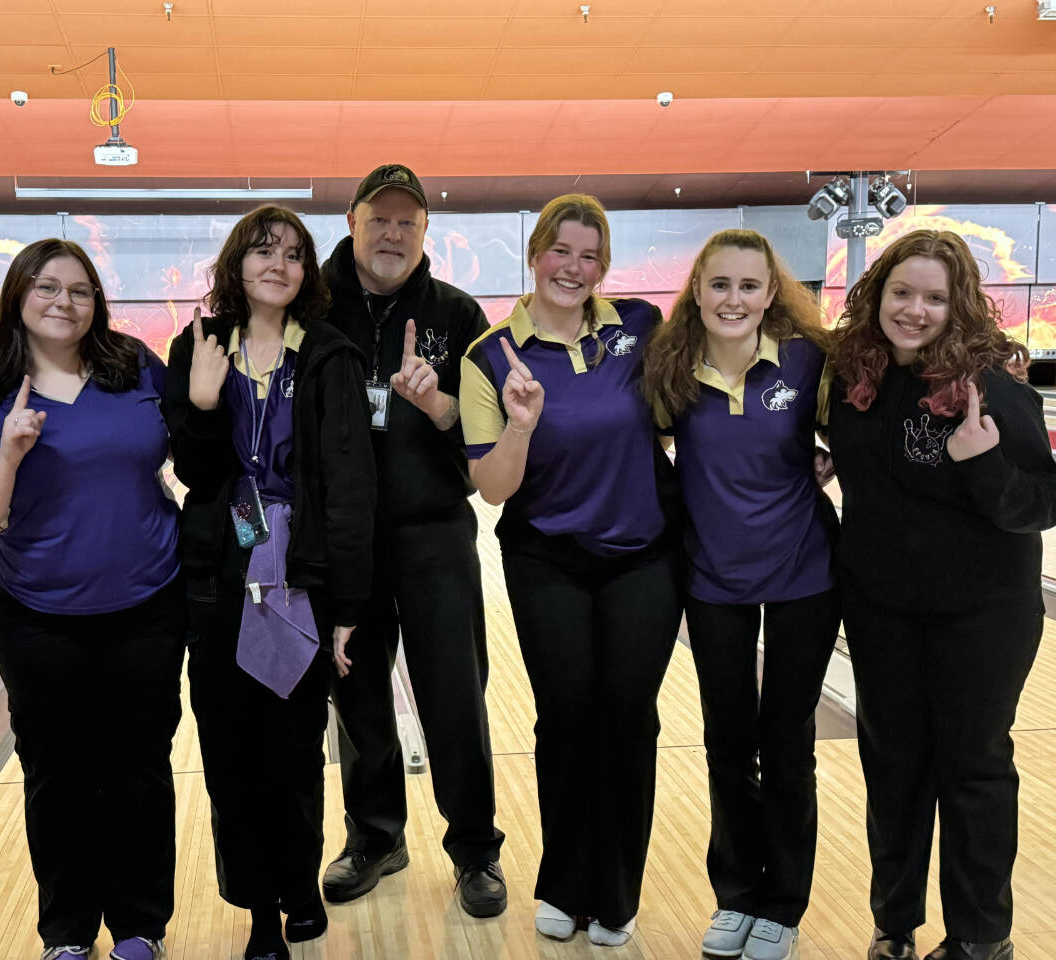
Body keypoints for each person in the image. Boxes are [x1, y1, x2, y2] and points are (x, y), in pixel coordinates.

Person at [827, 229, 1056, 960]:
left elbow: (1045, 505)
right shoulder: (853, 376)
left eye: (935, 297)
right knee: (893, 768)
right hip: (881, 609)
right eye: (903, 292)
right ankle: (894, 925)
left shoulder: (991, 383)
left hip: (981, 614)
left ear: (958, 304)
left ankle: (980, 935)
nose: (915, 310)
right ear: (879, 296)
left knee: (972, 767)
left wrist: (985, 463)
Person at [0, 239, 184, 960]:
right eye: (47, 288)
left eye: (79, 290)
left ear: (96, 302)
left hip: (148, 596)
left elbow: (192, 448)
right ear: (19, 296)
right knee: (58, 772)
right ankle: (68, 932)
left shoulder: (135, 366)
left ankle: (141, 926)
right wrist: (11, 453)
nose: (64, 302)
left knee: (140, 765)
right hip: (35, 608)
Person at [460, 193, 682, 947]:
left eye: (590, 256)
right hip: (546, 557)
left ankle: (615, 890)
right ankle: (563, 881)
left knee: (629, 717)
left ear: (605, 267)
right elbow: (493, 488)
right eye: (562, 251)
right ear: (536, 253)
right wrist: (522, 424)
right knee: (566, 717)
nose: (574, 268)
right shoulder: (491, 355)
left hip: (643, 556)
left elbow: (718, 372)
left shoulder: (642, 329)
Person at [163, 206, 376, 960]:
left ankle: (298, 885)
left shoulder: (329, 354)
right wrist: (202, 403)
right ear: (237, 263)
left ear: (307, 271)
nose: (279, 263)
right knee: (232, 751)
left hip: (302, 577)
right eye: (263, 250)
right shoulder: (199, 347)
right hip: (221, 576)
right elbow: (195, 471)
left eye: (293, 253)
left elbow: (350, 488)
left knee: (292, 749)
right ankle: (258, 909)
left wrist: (347, 606)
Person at [645, 230, 839, 960]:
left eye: (749, 286)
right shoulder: (672, 366)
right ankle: (736, 894)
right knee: (728, 744)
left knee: (787, 746)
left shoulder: (807, 359)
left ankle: (783, 904)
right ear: (697, 292)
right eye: (719, 285)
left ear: (771, 293)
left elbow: (853, 433)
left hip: (804, 577)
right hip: (714, 582)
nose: (734, 299)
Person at [319, 163, 506, 916]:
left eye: (408, 222)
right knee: (357, 697)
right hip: (343, 538)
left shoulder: (458, 315)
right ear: (353, 222)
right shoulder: (315, 304)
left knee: (454, 695)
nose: (392, 233)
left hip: (433, 531)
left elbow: (483, 435)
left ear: (425, 232)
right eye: (379, 218)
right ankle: (374, 837)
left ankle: (475, 850)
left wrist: (438, 406)